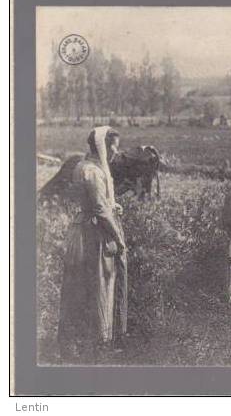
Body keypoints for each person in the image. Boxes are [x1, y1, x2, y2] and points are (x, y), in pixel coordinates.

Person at [57, 126, 128, 361]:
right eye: (114, 146)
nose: (116, 151)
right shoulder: (94, 172)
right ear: (103, 147)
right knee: (99, 283)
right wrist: (118, 237)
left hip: (83, 227)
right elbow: (99, 208)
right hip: (94, 234)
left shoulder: (82, 166)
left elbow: (94, 201)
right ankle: (99, 342)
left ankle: (78, 341)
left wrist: (110, 205)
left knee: (80, 286)